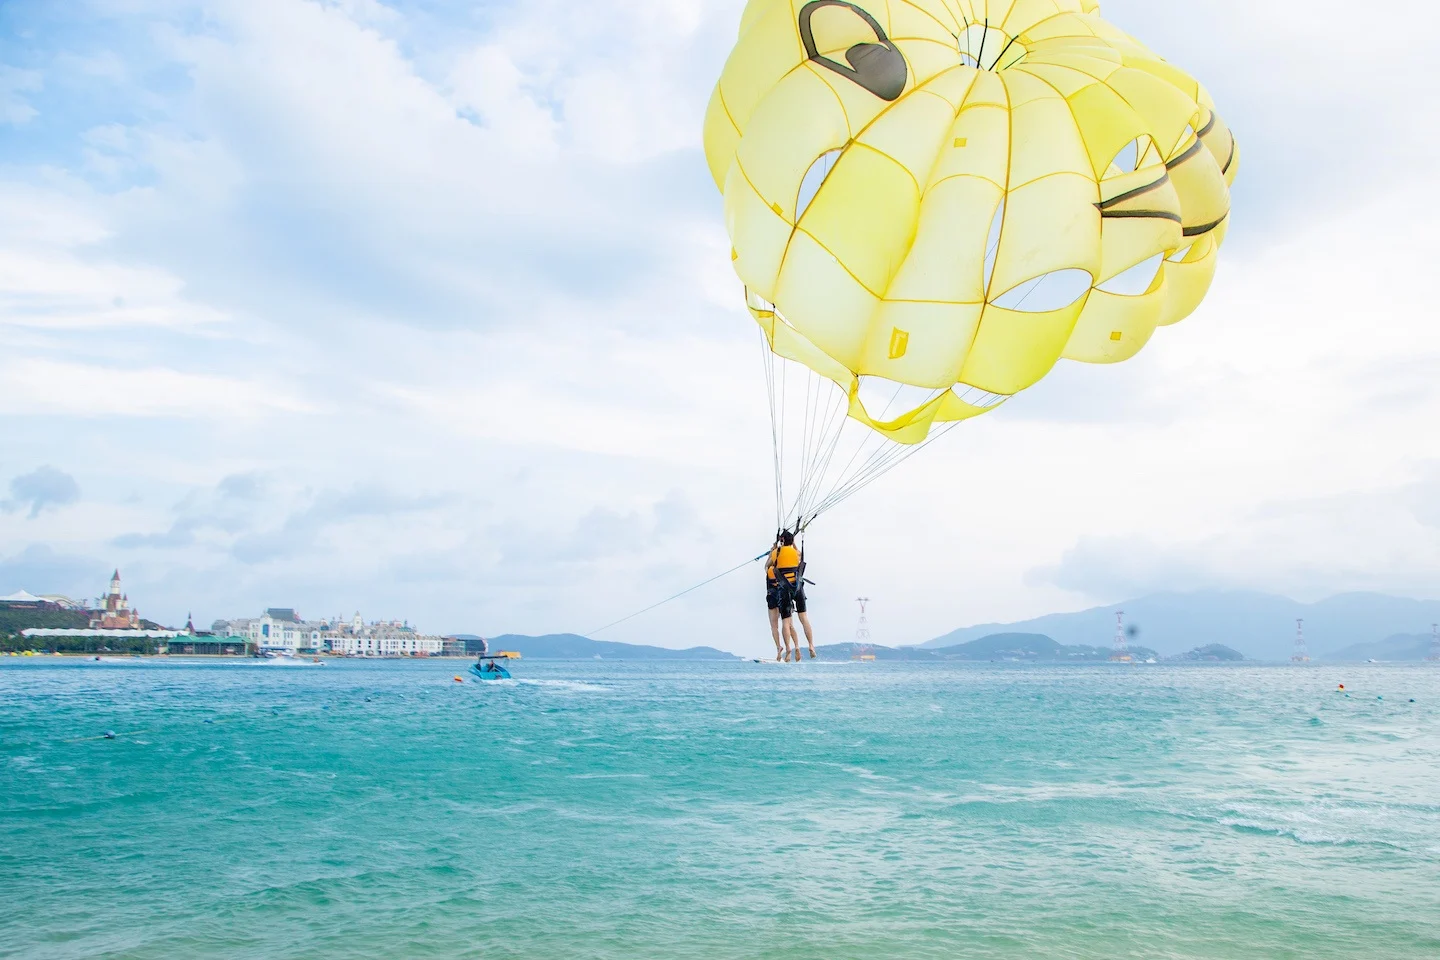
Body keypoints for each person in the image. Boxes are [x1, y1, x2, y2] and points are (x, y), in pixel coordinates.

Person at [769, 530, 814, 661]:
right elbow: (797, 553)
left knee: (785, 622)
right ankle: (811, 645)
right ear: (792, 541)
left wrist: (775, 547)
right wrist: (792, 543)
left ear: (782, 540)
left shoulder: (775, 553)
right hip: (798, 588)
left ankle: (788, 648)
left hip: (784, 589)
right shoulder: (796, 553)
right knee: (804, 617)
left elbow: (769, 566)